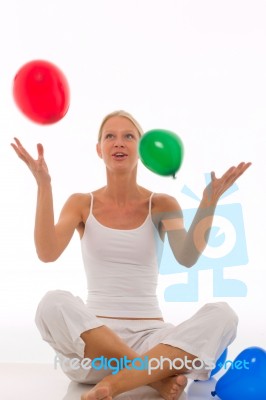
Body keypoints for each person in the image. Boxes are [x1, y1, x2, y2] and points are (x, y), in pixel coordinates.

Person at [11, 110, 251, 400]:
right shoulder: (80, 203)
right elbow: (47, 252)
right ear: (99, 149)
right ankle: (151, 379)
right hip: (93, 349)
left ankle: (115, 383)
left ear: (142, 149)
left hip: (152, 342)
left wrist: (208, 203)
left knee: (224, 315)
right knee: (52, 302)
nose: (118, 143)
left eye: (129, 136)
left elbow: (187, 256)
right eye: (109, 136)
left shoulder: (161, 204)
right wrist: (44, 185)